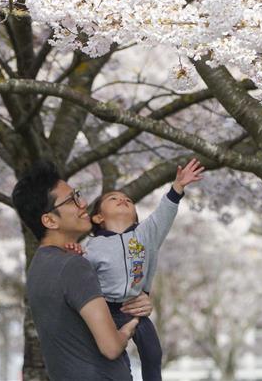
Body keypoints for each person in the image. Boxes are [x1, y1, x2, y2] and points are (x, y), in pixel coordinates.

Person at [12, 160, 153, 381]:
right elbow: (111, 347)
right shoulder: (73, 266)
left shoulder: (39, 265)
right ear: (49, 220)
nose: (83, 203)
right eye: (72, 200)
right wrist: (130, 326)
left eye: (78, 194)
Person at [79, 157, 205, 381]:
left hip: (134, 307)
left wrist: (177, 187)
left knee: (153, 353)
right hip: (106, 310)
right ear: (98, 217)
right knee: (114, 355)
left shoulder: (144, 235)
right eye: (113, 198)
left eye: (127, 199)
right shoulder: (92, 247)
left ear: (136, 217)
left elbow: (163, 215)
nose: (122, 200)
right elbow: (81, 275)